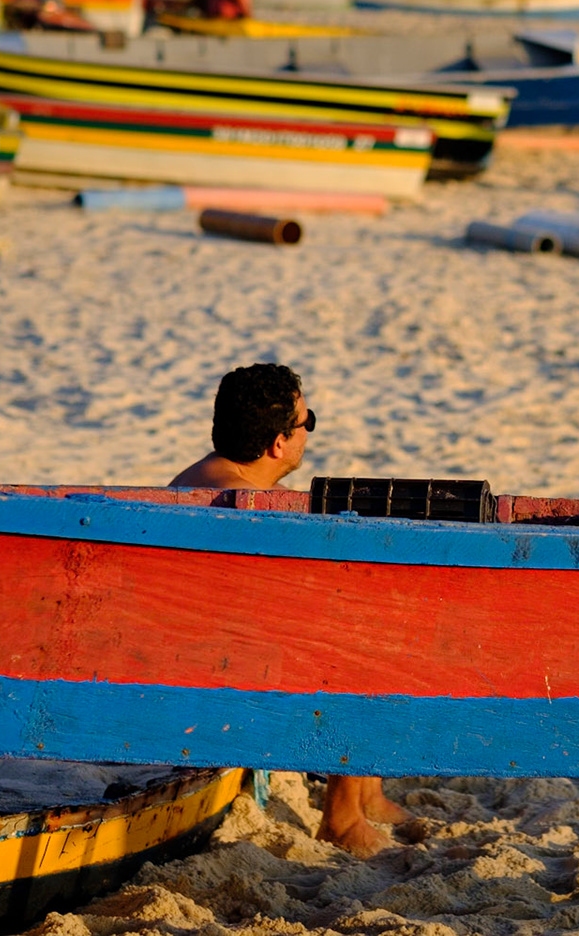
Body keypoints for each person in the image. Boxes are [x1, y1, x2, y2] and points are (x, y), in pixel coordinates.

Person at [170, 364, 408, 857]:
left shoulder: (198, 479)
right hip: (215, 677)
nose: (308, 432)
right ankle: (342, 819)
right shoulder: (251, 506)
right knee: (361, 642)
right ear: (279, 443)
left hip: (195, 651)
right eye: (308, 422)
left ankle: (366, 793)